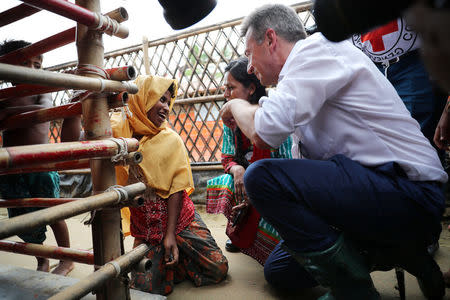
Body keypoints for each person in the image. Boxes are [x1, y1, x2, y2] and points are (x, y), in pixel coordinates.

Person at [220, 4, 447, 299]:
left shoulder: (314, 51)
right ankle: (403, 252)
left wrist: (237, 105)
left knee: (260, 176)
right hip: (373, 195)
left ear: (271, 39)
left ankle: (354, 291)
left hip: (408, 192)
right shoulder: (299, 79)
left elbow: (266, 132)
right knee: (280, 270)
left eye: (250, 54)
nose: (249, 67)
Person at [110, 75, 228, 295]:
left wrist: (170, 235)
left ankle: (175, 254)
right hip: (147, 229)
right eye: (161, 100)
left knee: (217, 268)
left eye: (168, 102)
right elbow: (85, 138)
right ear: (143, 99)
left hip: (180, 221)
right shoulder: (119, 135)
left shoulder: (170, 139)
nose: (166, 108)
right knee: (146, 289)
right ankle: (173, 262)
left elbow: (176, 190)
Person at [206, 57, 317, 291]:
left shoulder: (271, 113)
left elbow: (284, 166)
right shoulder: (231, 119)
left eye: (231, 88)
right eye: (224, 88)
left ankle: (271, 243)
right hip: (251, 179)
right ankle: (239, 234)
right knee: (225, 183)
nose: (226, 94)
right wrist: (236, 169)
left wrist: (253, 187)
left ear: (251, 88)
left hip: (274, 185)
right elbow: (226, 156)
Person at [0, 39, 74, 276]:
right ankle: (42, 259)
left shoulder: (41, 93)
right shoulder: (5, 96)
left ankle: (66, 257)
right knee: (25, 220)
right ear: (8, 68)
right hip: (13, 170)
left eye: (37, 65)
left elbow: (34, 116)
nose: (32, 70)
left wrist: (9, 110)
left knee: (54, 214)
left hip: (41, 166)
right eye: (24, 64)